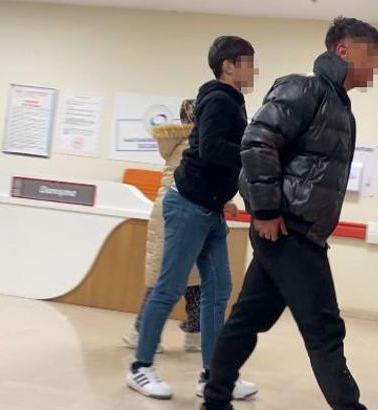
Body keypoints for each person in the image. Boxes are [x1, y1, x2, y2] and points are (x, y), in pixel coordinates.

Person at [201, 17, 378, 410]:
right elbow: (257, 143)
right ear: (343, 50)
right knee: (324, 329)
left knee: (249, 319)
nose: (377, 65)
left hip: (294, 229)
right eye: (372, 54)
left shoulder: (338, 105)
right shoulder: (304, 88)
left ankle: (214, 398)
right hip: (289, 229)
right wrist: (265, 210)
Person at [126, 35, 258, 400]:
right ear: (228, 66)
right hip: (188, 206)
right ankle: (140, 367)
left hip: (210, 209)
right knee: (169, 288)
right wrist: (253, 152)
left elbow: (216, 154)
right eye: (248, 63)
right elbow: (211, 148)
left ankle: (213, 376)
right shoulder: (218, 98)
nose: (254, 70)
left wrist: (228, 194)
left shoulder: (232, 100)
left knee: (219, 291)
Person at [122, 99, 203, 354]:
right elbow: (202, 177)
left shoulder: (181, 140)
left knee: (193, 277)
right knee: (166, 278)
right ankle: (141, 332)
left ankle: (196, 332)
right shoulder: (196, 142)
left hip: (177, 210)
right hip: (178, 212)